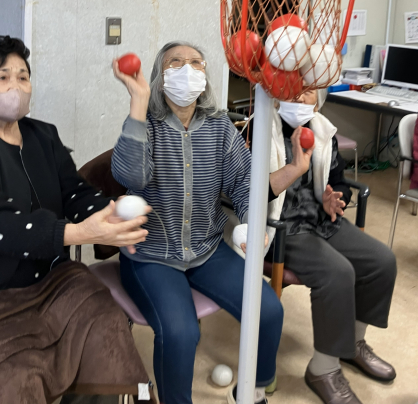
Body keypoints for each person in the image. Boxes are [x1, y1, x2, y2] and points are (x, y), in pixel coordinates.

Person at [0, 36, 152, 404]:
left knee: (103, 320)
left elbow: (74, 193)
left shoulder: (43, 135)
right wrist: (77, 233)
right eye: (3, 77)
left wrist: (108, 213)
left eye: (23, 77)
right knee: (10, 376)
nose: (17, 86)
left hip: (44, 281)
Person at [111, 41, 314, 404]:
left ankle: (252, 389)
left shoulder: (220, 126)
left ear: (204, 76)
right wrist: (138, 102)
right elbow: (130, 175)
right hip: (152, 256)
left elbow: (246, 183)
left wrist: (253, 219)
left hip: (207, 250)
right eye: (176, 63)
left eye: (196, 63)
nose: (187, 69)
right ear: (160, 77)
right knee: (181, 333)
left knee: (268, 311)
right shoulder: (147, 125)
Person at [266, 87, 397, 404]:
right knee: (337, 272)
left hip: (321, 219)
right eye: (293, 90)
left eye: (309, 92)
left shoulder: (323, 131)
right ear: (278, 92)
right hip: (281, 227)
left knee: (381, 261)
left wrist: (335, 198)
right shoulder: (261, 129)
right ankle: (323, 369)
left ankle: (353, 345)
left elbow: (338, 181)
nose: (300, 98)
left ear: (319, 100)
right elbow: (246, 188)